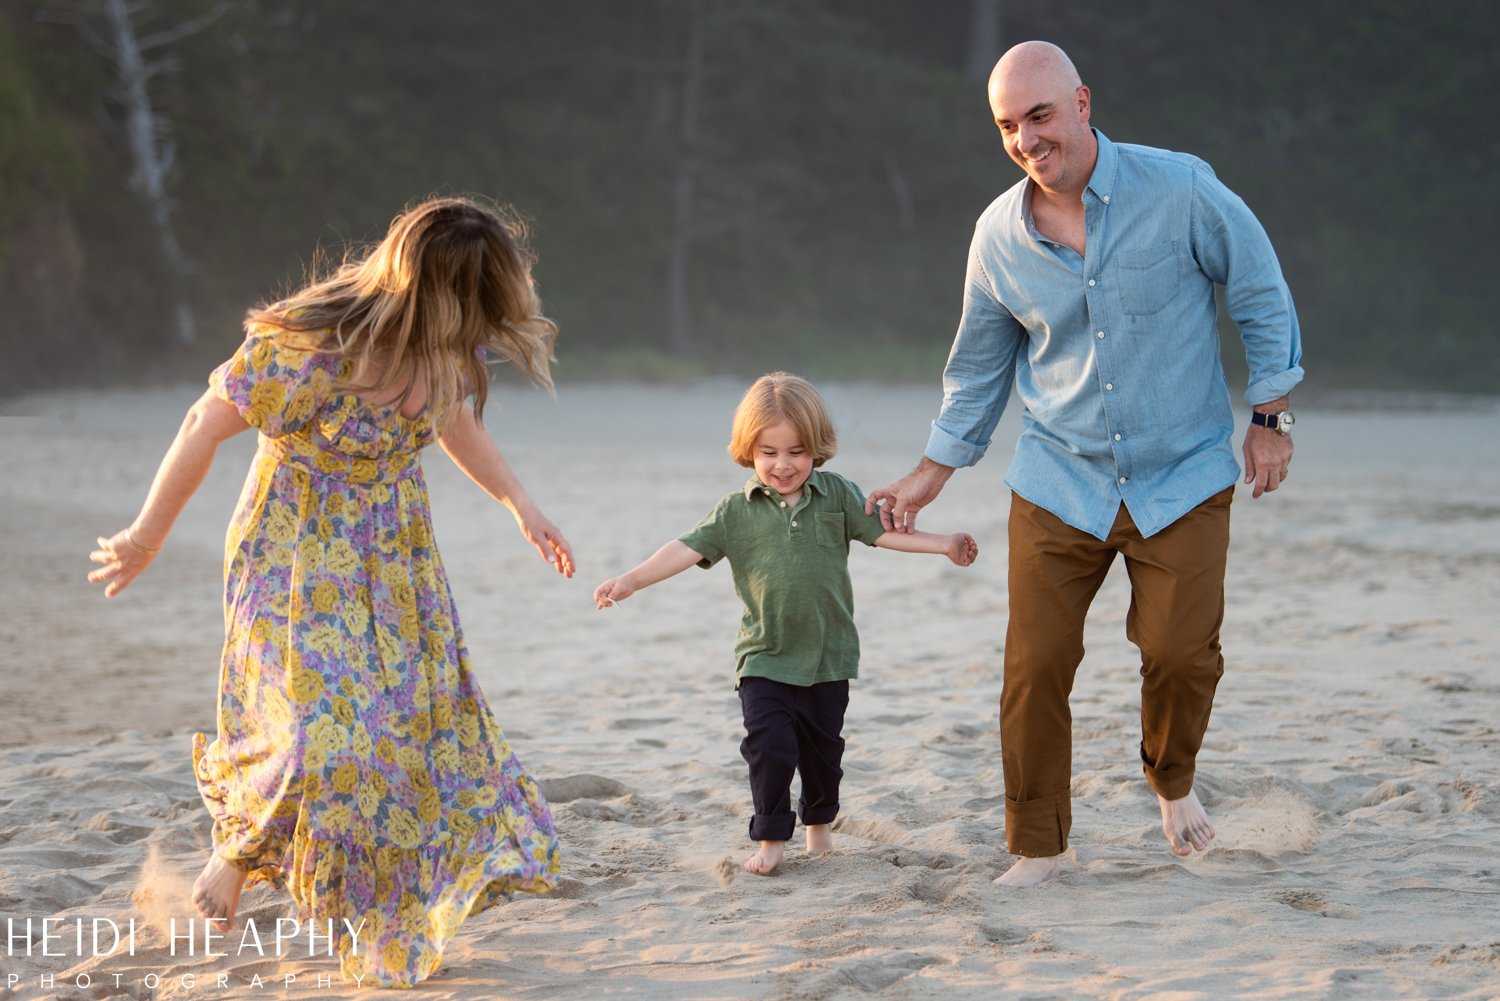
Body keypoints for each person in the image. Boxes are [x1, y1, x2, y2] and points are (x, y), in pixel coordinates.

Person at [87, 196, 575, 987]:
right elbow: (201, 425)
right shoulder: (313, 344)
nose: (483, 323)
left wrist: (521, 502)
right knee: (319, 727)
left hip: (394, 554)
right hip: (294, 548)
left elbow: (456, 423)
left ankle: (387, 921)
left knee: (409, 736)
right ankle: (237, 849)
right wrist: (145, 536)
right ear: (430, 289)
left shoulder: (448, 347)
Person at [866, 41, 1303, 888]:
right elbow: (978, 370)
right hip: (1059, 477)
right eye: (1006, 126)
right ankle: (1040, 846)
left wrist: (1270, 415)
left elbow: (1257, 285)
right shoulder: (997, 237)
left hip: (1182, 475)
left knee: (1180, 654)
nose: (1027, 139)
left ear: (1081, 103)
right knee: (1034, 665)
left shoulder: (1177, 190)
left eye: (1039, 116)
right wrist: (929, 475)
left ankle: (1171, 780)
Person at [593, 373, 978, 875]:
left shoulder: (837, 495)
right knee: (768, 748)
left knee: (823, 753)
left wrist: (943, 543)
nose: (783, 464)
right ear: (748, 450)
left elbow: (883, 535)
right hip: (765, 655)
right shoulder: (736, 511)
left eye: (796, 451)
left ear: (816, 449)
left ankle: (818, 831)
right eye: (769, 452)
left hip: (828, 655)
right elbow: (685, 548)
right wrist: (631, 580)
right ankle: (771, 838)